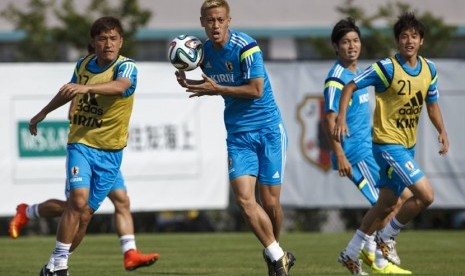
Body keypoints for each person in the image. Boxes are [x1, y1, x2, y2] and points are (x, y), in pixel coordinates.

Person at [175, 1, 295, 275]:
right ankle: (277, 256)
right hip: (239, 135)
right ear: (202, 22)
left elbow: (255, 90)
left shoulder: (247, 46)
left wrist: (216, 88)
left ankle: (275, 253)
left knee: (270, 201)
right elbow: (207, 82)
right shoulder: (201, 52)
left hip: (268, 130)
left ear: (229, 20)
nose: (215, 25)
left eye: (219, 20)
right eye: (209, 20)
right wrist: (190, 82)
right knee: (243, 199)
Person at [333, 12, 449, 275]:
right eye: (404, 36)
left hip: (407, 145)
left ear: (421, 41)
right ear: (397, 41)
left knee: (386, 203)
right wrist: (341, 118)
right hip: (386, 144)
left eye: (414, 36)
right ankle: (386, 237)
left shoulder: (429, 69)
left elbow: (432, 105)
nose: (409, 40)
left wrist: (442, 130)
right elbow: (350, 87)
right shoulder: (386, 68)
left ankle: (351, 252)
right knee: (425, 195)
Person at [29, 16, 144, 276]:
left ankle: (52, 264)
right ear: (93, 42)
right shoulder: (83, 64)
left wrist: (84, 88)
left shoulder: (127, 68)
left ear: (121, 41)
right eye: (102, 38)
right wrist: (43, 112)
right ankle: (60, 266)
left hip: (111, 152)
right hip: (81, 143)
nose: (108, 44)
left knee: (84, 216)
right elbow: (67, 91)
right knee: (77, 202)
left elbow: (120, 87)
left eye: (113, 38)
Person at [324, 17, 412, 275]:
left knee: (401, 199)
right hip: (355, 153)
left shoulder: (356, 75)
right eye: (345, 42)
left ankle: (364, 252)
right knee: (387, 204)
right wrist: (339, 153)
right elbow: (329, 118)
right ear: (335, 47)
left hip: (370, 150)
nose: (351, 46)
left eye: (355, 40)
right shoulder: (336, 78)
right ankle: (372, 258)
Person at [8, 175, 159, 271]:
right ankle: (27, 212)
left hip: (109, 158)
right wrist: (36, 121)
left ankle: (130, 252)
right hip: (86, 152)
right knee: (75, 208)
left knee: (122, 200)